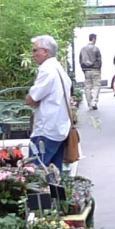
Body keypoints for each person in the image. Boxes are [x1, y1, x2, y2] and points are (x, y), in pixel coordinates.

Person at [25, 35, 72, 167]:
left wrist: (32, 99)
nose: (32, 54)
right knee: (54, 176)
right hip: (60, 128)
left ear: (45, 51)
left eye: (35, 50)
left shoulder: (47, 70)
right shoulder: (59, 68)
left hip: (46, 130)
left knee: (36, 172)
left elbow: (31, 99)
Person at [77, 31, 104, 109]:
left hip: (86, 70)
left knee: (88, 87)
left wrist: (83, 69)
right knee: (96, 86)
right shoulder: (96, 49)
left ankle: (89, 103)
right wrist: (99, 68)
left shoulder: (83, 49)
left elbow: (80, 60)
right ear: (94, 39)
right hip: (95, 69)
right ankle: (94, 102)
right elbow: (99, 60)